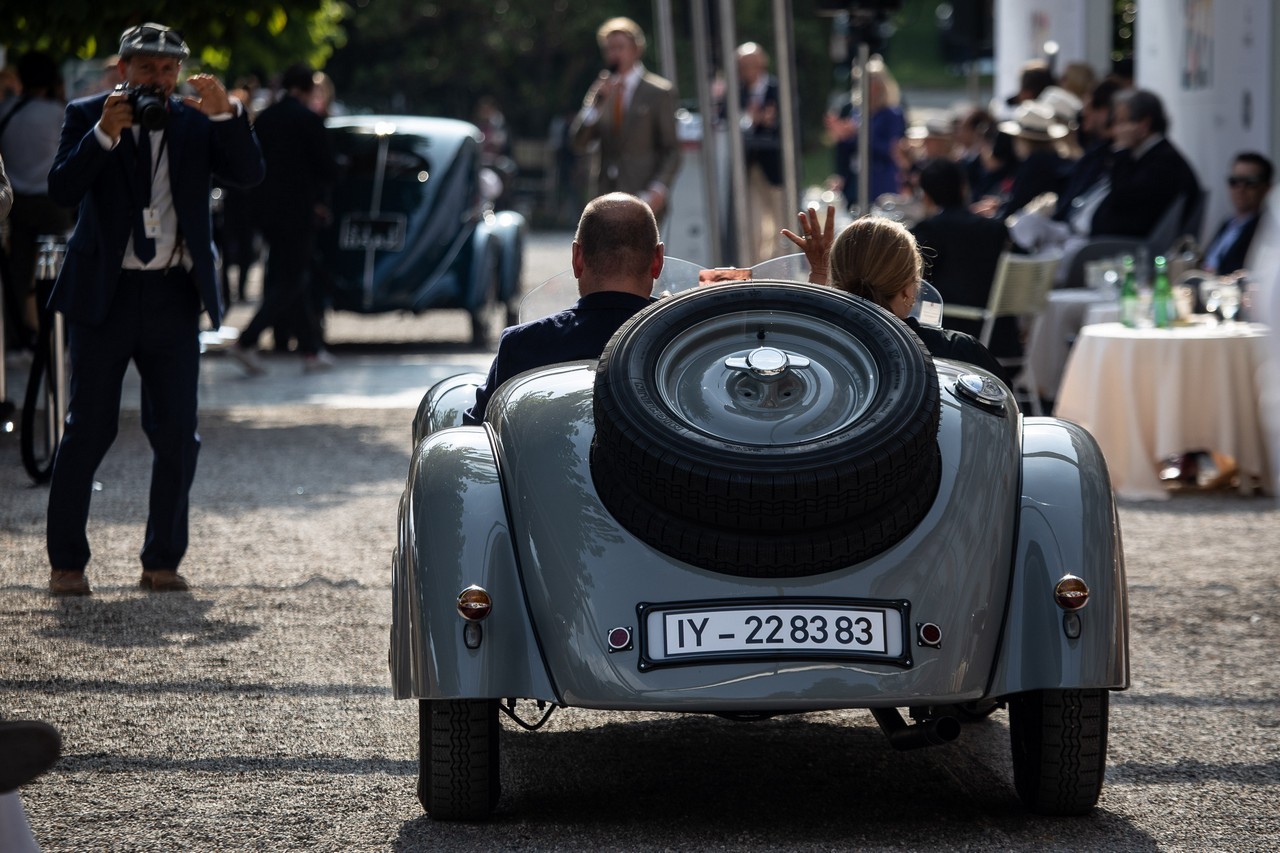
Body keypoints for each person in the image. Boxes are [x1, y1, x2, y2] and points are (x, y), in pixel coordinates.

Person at [44, 22, 264, 596]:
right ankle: (67, 562)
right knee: (87, 430)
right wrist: (101, 136)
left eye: (169, 70)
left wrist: (227, 115)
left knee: (177, 434)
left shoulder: (194, 120)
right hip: (105, 296)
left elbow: (249, 174)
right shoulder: (87, 113)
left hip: (172, 294)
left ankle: (161, 561)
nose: (159, 80)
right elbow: (62, 190)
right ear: (123, 70)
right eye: (147, 68)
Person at [463, 193, 662, 425]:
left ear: (577, 258)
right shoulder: (683, 342)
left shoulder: (523, 345)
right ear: (657, 260)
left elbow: (477, 436)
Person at [782, 206, 1007, 381]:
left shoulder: (812, 352)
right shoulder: (960, 353)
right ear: (909, 289)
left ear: (836, 283)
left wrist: (820, 274)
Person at [229, 63, 337, 375]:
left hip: (266, 213)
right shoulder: (308, 120)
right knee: (293, 278)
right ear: (307, 88)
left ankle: (310, 350)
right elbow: (327, 168)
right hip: (299, 212)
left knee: (290, 277)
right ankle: (247, 340)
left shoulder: (265, 118)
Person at [570, 17, 680, 227]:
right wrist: (595, 107)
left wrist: (658, 189)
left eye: (620, 47)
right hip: (606, 197)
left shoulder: (658, 92)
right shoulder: (601, 90)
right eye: (609, 48)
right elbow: (579, 142)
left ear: (636, 49)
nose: (614, 54)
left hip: (644, 195)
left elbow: (672, 149)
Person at [911, 158, 1019, 366]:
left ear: (925, 196)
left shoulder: (928, 231)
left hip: (954, 342)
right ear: (964, 188)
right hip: (1004, 337)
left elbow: (918, 283)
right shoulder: (996, 229)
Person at [0, 51, 74, 350]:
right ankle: (56, 333)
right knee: (58, 273)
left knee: (18, 273)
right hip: (51, 203)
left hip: (15, 204)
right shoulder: (58, 113)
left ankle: (18, 335)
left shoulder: (5, 110)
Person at [1089, 88, 1200, 240]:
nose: (1115, 130)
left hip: (1129, 247)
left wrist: (1120, 152)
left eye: (1121, 122)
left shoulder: (1164, 162)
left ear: (1144, 125)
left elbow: (1122, 200)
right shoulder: (1148, 156)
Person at [825, 55, 906, 213]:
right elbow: (848, 149)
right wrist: (843, 135)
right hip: (855, 178)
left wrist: (858, 133)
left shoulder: (891, 114)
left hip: (880, 179)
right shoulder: (857, 112)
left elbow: (890, 150)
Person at [733, 42, 784, 264]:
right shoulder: (736, 92)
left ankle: (780, 266)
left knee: (781, 219)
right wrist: (750, 121)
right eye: (743, 65)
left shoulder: (778, 89)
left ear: (762, 64)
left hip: (775, 167)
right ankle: (755, 267)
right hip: (747, 166)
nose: (748, 70)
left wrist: (769, 122)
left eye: (752, 64)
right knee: (752, 222)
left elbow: (789, 125)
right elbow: (726, 121)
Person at [1200, 152, 1272, 275]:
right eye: (1234, 181)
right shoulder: (1228, 223)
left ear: (1266, 188)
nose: (1240, 188)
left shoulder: (1266, 229)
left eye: (1250, 182)